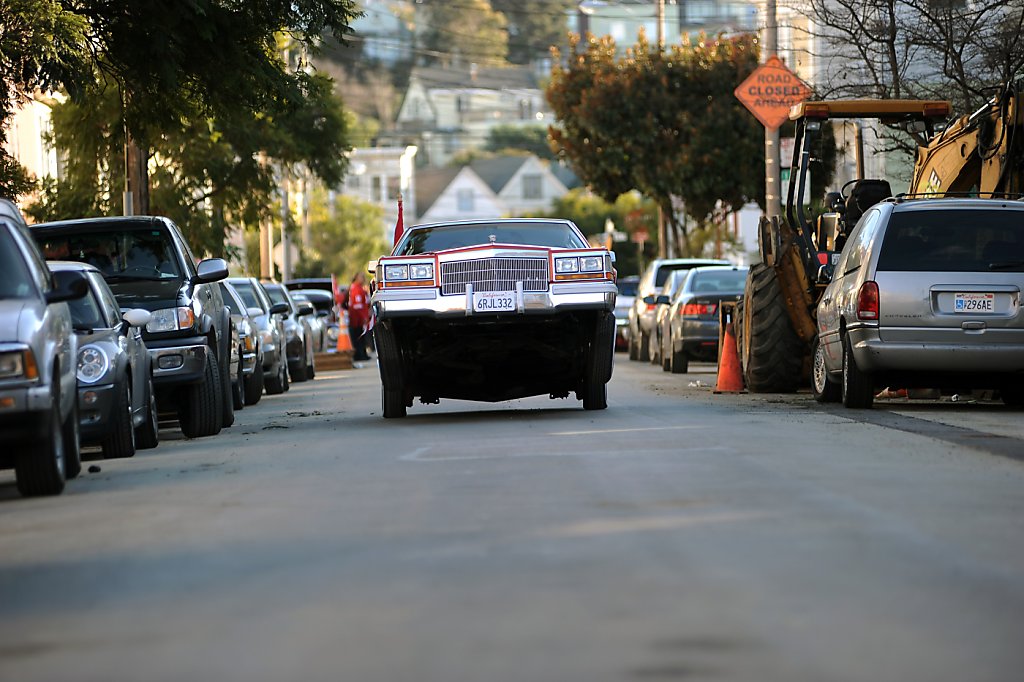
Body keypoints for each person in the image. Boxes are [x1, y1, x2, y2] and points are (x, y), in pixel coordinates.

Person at [346, 271, 371, 362]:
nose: (363, 279)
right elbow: (358, 305)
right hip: (356, 319)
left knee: (360, 336)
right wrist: (363, 317)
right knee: (358, 337)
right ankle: (359, 355)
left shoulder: (358, 288)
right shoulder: (356, 288)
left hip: (358, 318)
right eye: (361, 277)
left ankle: (362, 354)